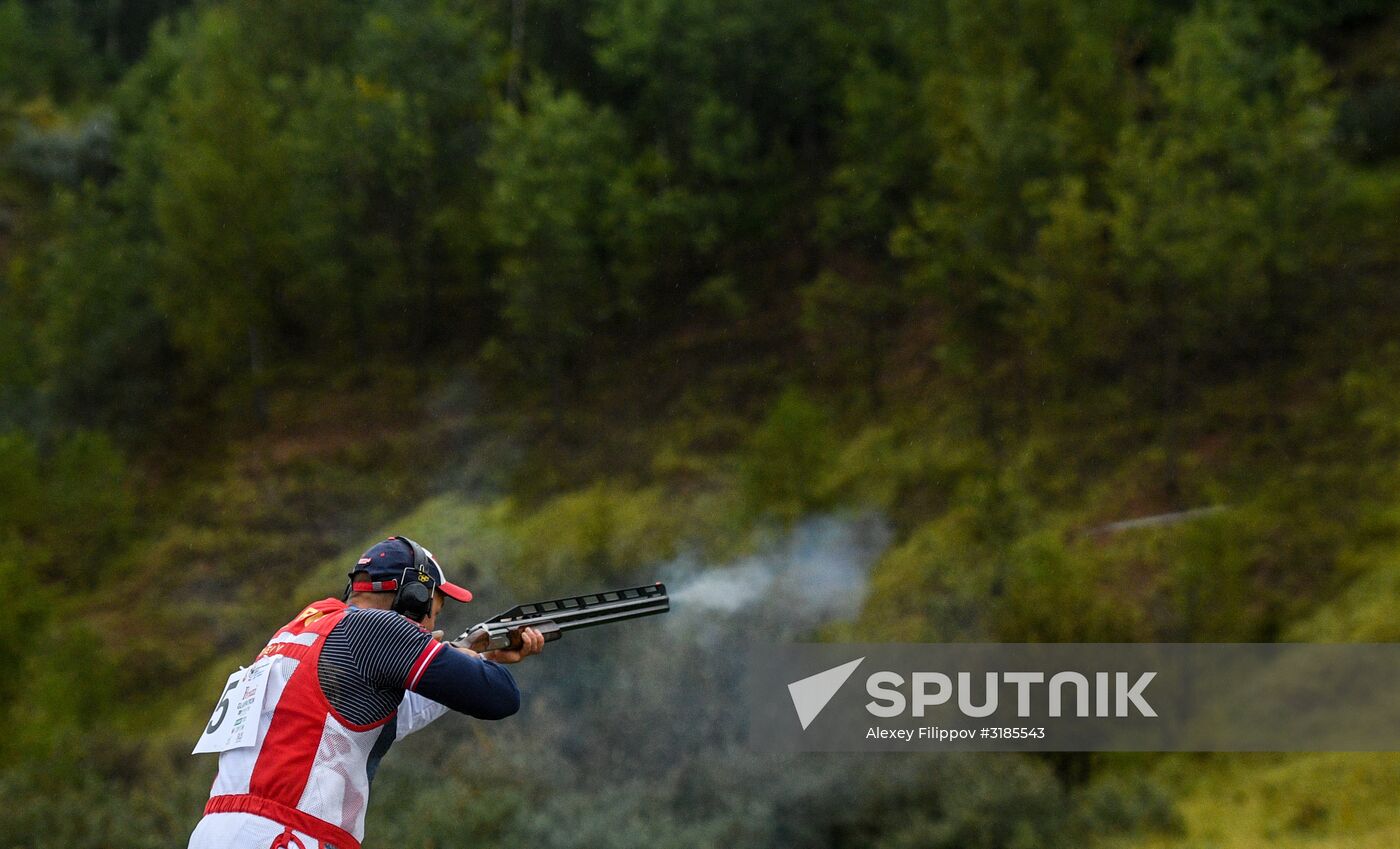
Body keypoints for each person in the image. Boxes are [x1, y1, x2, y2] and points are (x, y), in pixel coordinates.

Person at [187, 536, 545, 849]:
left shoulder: (298, 630)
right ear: (412, 599)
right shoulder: (376, 628)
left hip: (216, 830)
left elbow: (372, 722)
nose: (431, 626)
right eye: (432, 612)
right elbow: (500, 696)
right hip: (287, 835)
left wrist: (475, 655)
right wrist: (469, 663)